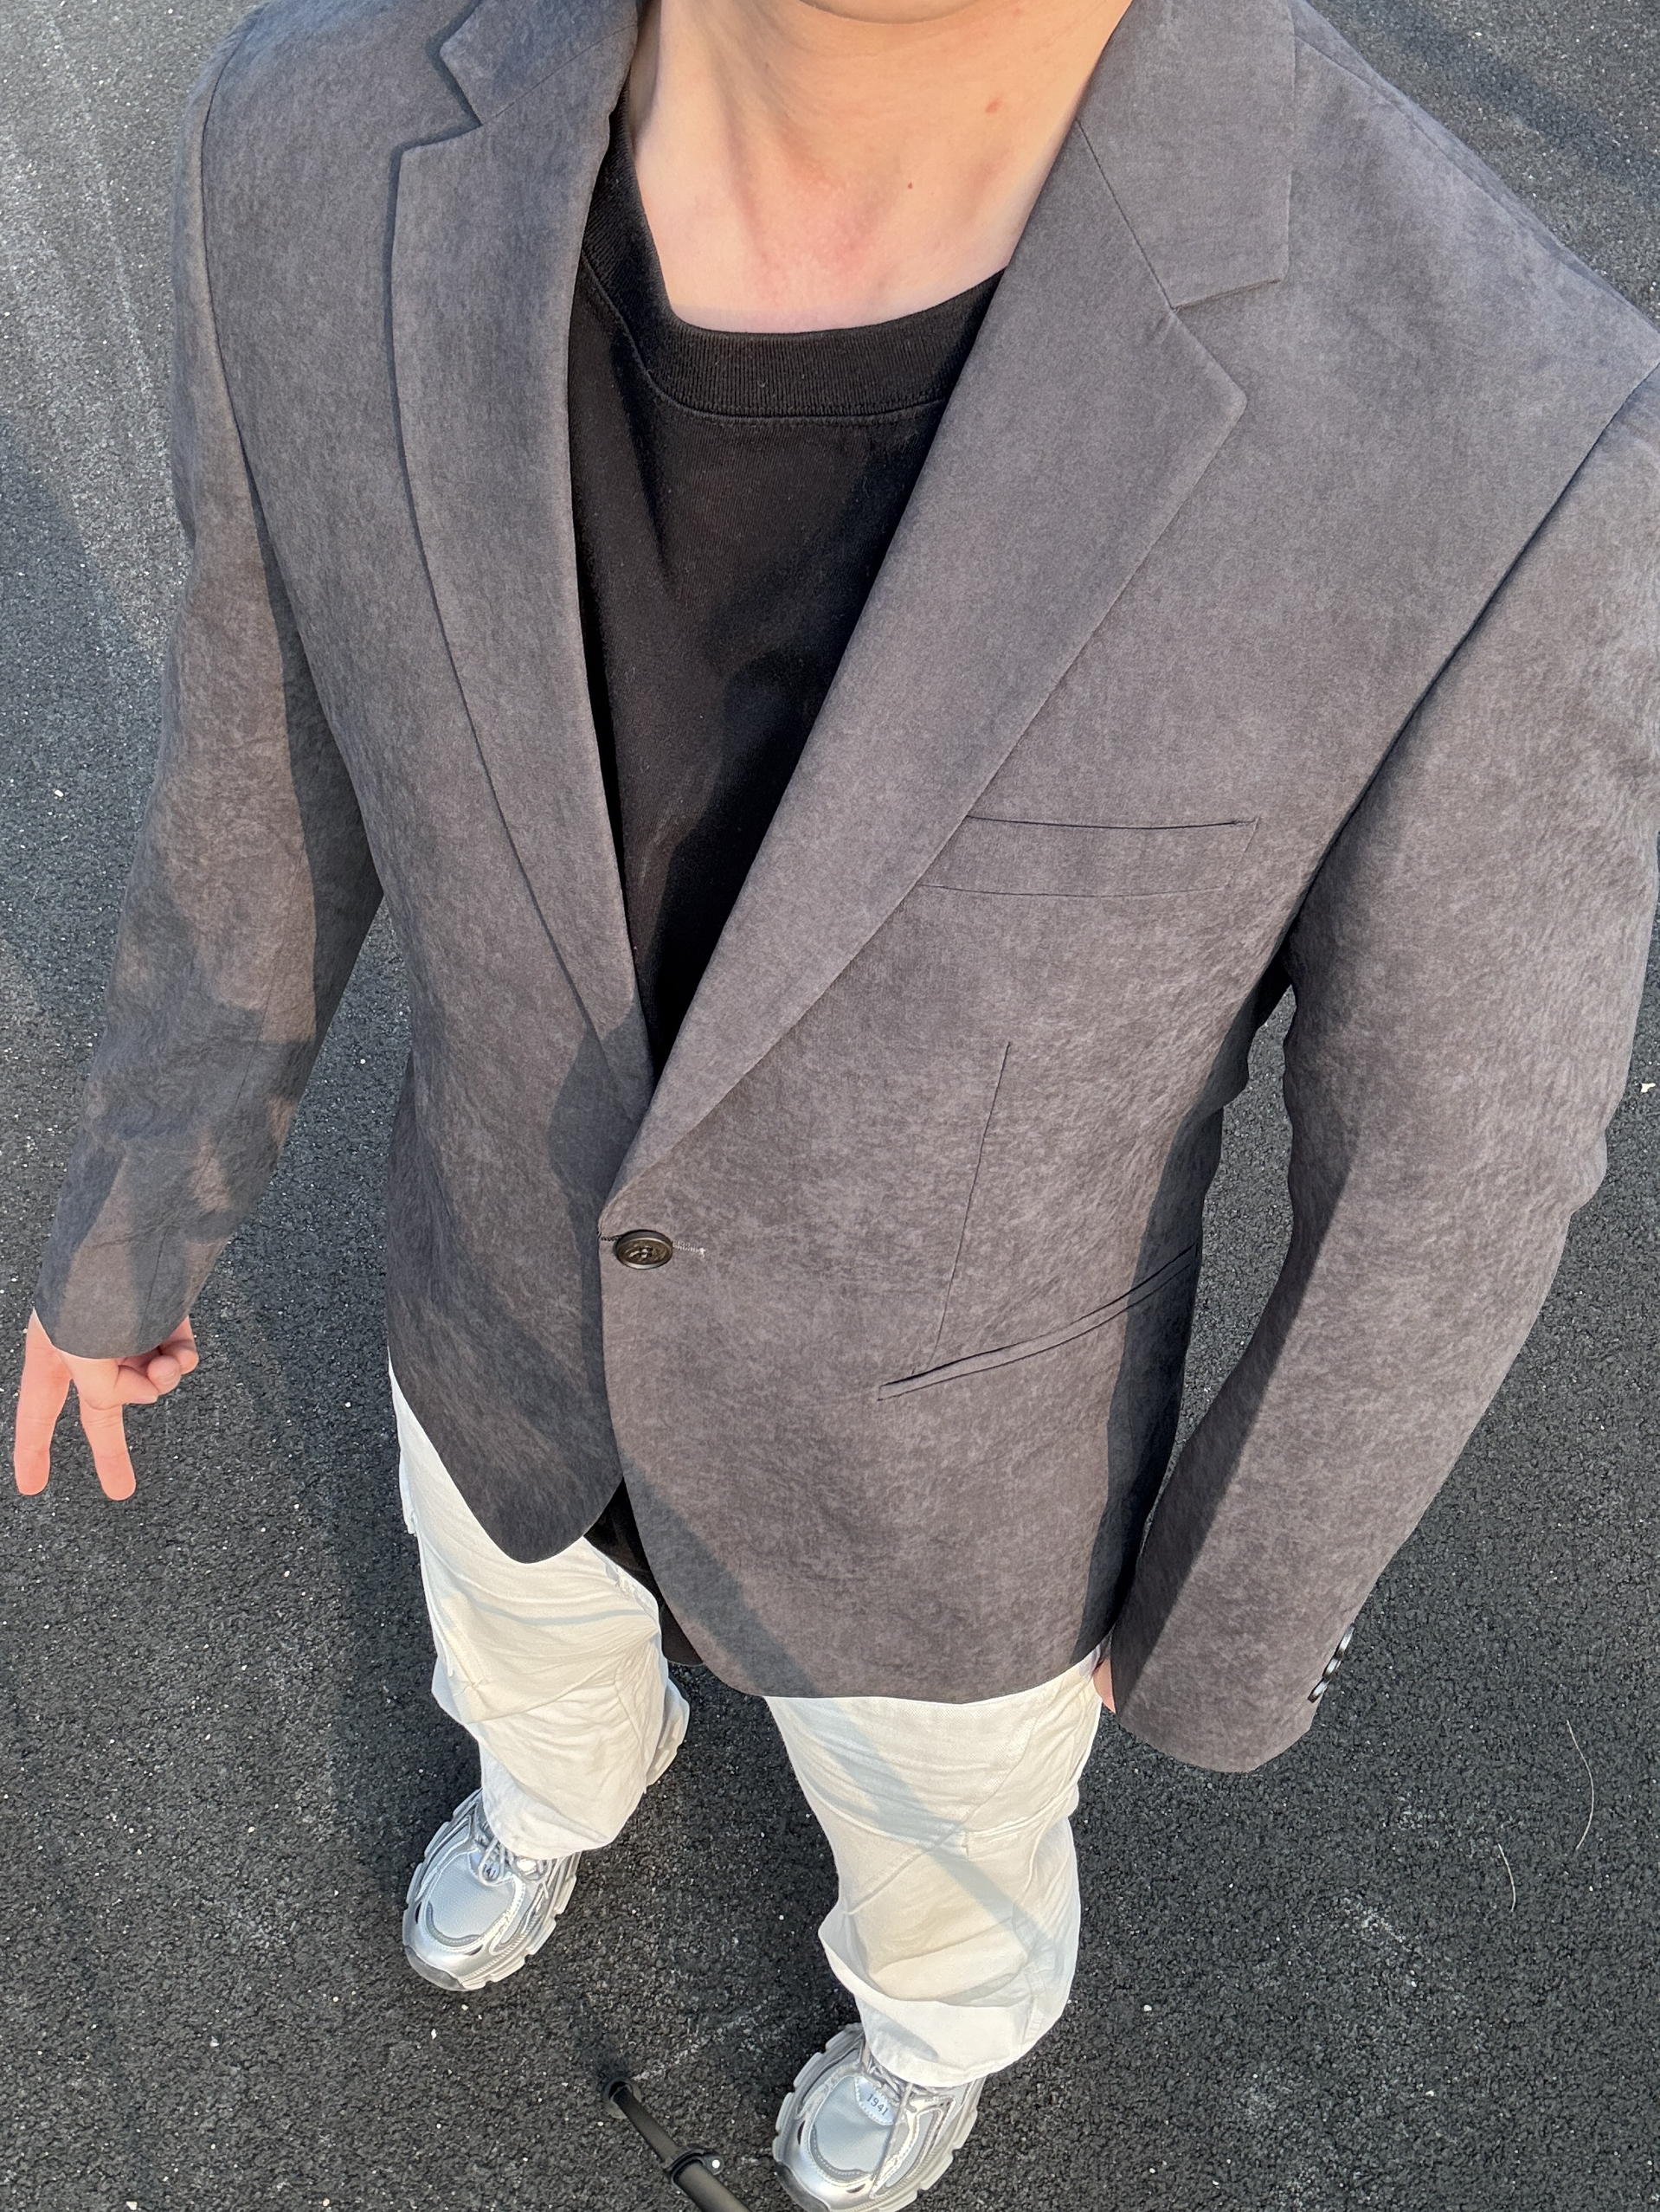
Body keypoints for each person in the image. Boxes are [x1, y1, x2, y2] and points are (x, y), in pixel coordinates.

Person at [13, 0, 1660, 2199]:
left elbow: (1449, 1167)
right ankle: (552, 1796)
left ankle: (933, 2026)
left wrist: (1220, 1619)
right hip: (492, 1320)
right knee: (515, 1645)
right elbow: (259, 733)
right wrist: (138, 1207)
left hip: (944, 1504)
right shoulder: (306, 132)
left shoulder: (1504, 428)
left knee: (945, 1859)